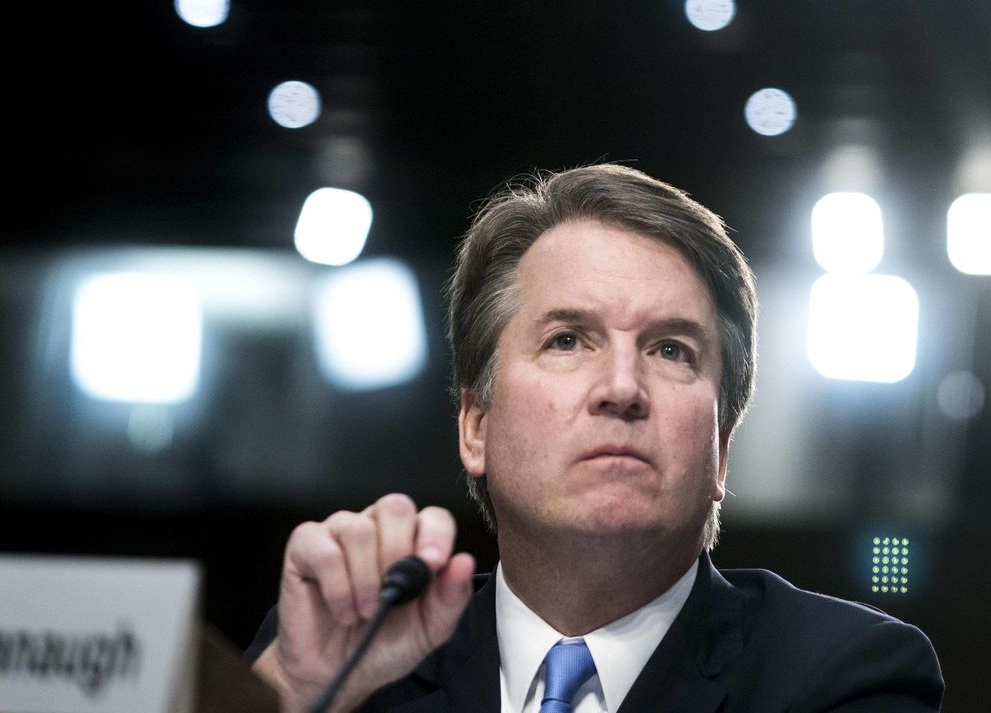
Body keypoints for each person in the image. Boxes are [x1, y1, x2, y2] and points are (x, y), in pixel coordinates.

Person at [246, 164, 944, 712]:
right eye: (568, 340)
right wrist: (288, 696)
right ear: (476, 426)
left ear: (722, 447)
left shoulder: (844, 676)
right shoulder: (353, 657)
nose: (621, 387)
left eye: (671, 350)